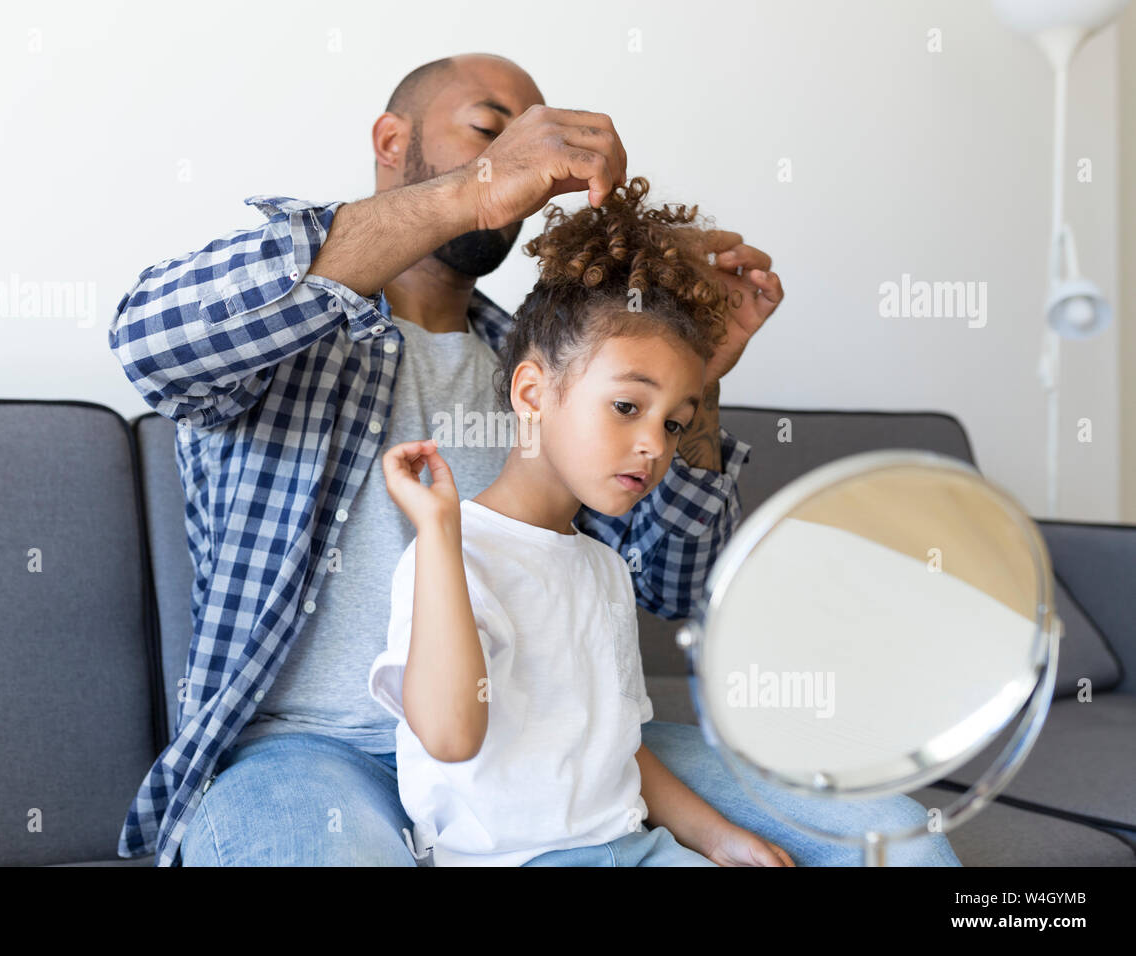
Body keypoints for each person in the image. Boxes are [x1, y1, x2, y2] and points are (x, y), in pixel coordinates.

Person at [108, 51, 948, 866]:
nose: (529, 163)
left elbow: (672, 584)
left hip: (548, 735)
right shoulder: (287, 341)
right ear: (392, 141)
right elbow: (149, 337)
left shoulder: (549, 372)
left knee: (896, 837)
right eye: (491, 130)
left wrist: (698, 378)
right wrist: (469, 192)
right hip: (308, 752)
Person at [369, 177, 960, 867]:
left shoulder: (602, 567)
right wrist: (439, 536)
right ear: (533, 392)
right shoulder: (455, 556)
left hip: (633, 847)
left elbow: (616, 749)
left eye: (675, 422)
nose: (656, 444)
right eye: (627, 407)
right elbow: (448, 735)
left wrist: (720, 837)